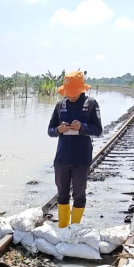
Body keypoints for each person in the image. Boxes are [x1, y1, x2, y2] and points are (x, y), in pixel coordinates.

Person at [47, 70, 103, 228]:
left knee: (79, 194)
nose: (71, 96)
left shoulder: (91, 104)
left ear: (81, 90)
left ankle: (75, 228)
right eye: (68, 93)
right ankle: (63, 227)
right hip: (62, 157)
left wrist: (82, 127)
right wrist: (59, 130)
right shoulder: (60, 105)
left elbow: (98, 130)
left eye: (74, 93)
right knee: (62, 194)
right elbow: (50, 131)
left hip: (81, 157)